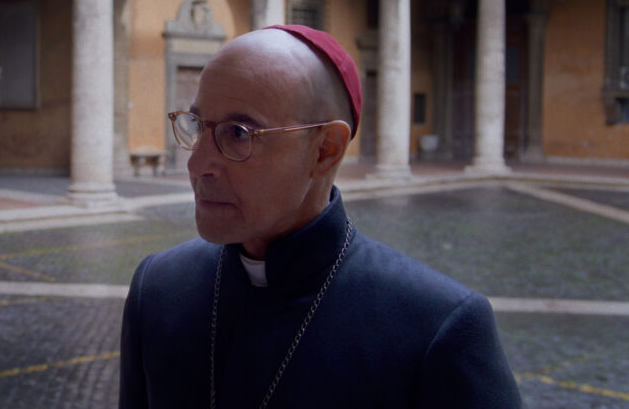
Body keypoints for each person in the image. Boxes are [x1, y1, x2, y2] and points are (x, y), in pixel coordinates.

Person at [119, 25, 522, 408]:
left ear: (325, 149)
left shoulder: (439, 328)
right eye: (197, 125)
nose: (198, 164)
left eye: (238, 133)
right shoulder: (157, 289)